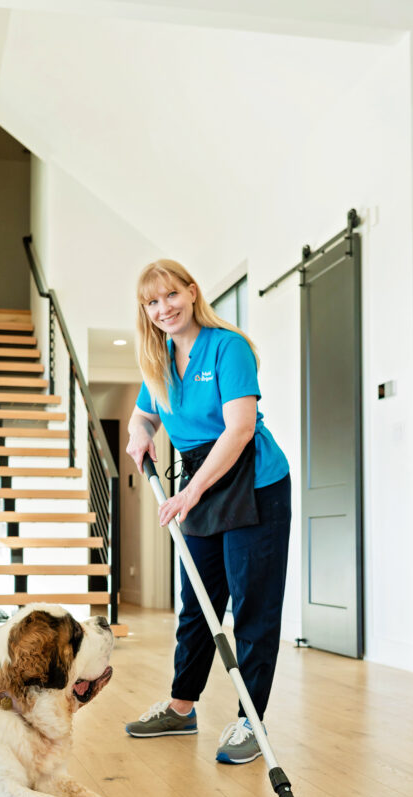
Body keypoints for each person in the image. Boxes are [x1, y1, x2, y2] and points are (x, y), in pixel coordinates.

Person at [124, 259, 291, 764]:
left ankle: (249, 721)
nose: (163, 308)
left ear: (193, 293)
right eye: (152, 302)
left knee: (253, 608)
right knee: (197, 601)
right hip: (198, 477)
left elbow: (239, 429)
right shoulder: (157, 358)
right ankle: (181, 707)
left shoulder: (228, 347)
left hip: (252, 480)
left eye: (171, 295)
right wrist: (139, 435)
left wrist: (189, 494)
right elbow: (144, 413)